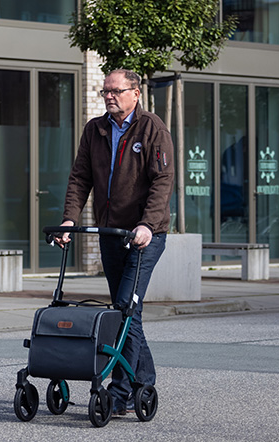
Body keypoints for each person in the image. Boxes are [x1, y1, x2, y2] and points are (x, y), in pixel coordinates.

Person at [54, 68, 174, 416]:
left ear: (135, 93)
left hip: (143, 236)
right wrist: (69, 219)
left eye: (115, 91)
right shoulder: (96, 129)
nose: (108, 96)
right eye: (105, 91)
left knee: (125, 309)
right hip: (111, 234)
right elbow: (80, 177)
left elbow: (162, 181)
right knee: (125, 314)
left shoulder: (152, 128)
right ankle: (145, 378)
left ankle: (119, 393)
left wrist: (148, 225)